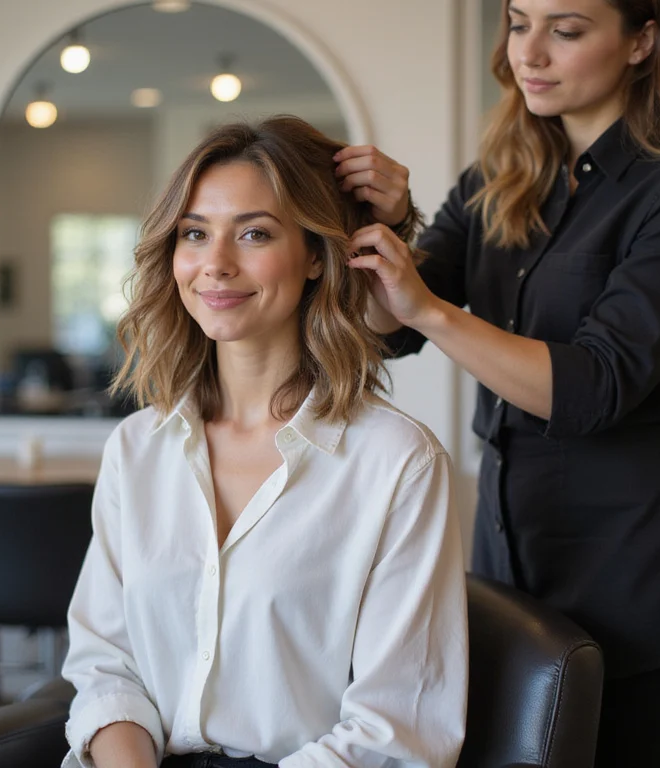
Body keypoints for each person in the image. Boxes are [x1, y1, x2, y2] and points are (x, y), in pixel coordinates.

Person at [333, 0, 660, 764]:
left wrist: (433, 309)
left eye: (565, 30)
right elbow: (389, 328)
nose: (527, 53)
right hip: (516, 559)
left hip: (643, 569)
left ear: (643, 40)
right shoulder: (497, 180)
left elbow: (594, 386)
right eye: (517, 22)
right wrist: (391, 223)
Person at [60, 116, 468, 768]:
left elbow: (399, 730)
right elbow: (107, 667)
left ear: (314, 256)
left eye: (254, 234)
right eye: (195, 233)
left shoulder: (396, 463)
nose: (216, 264)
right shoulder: (137, 448)